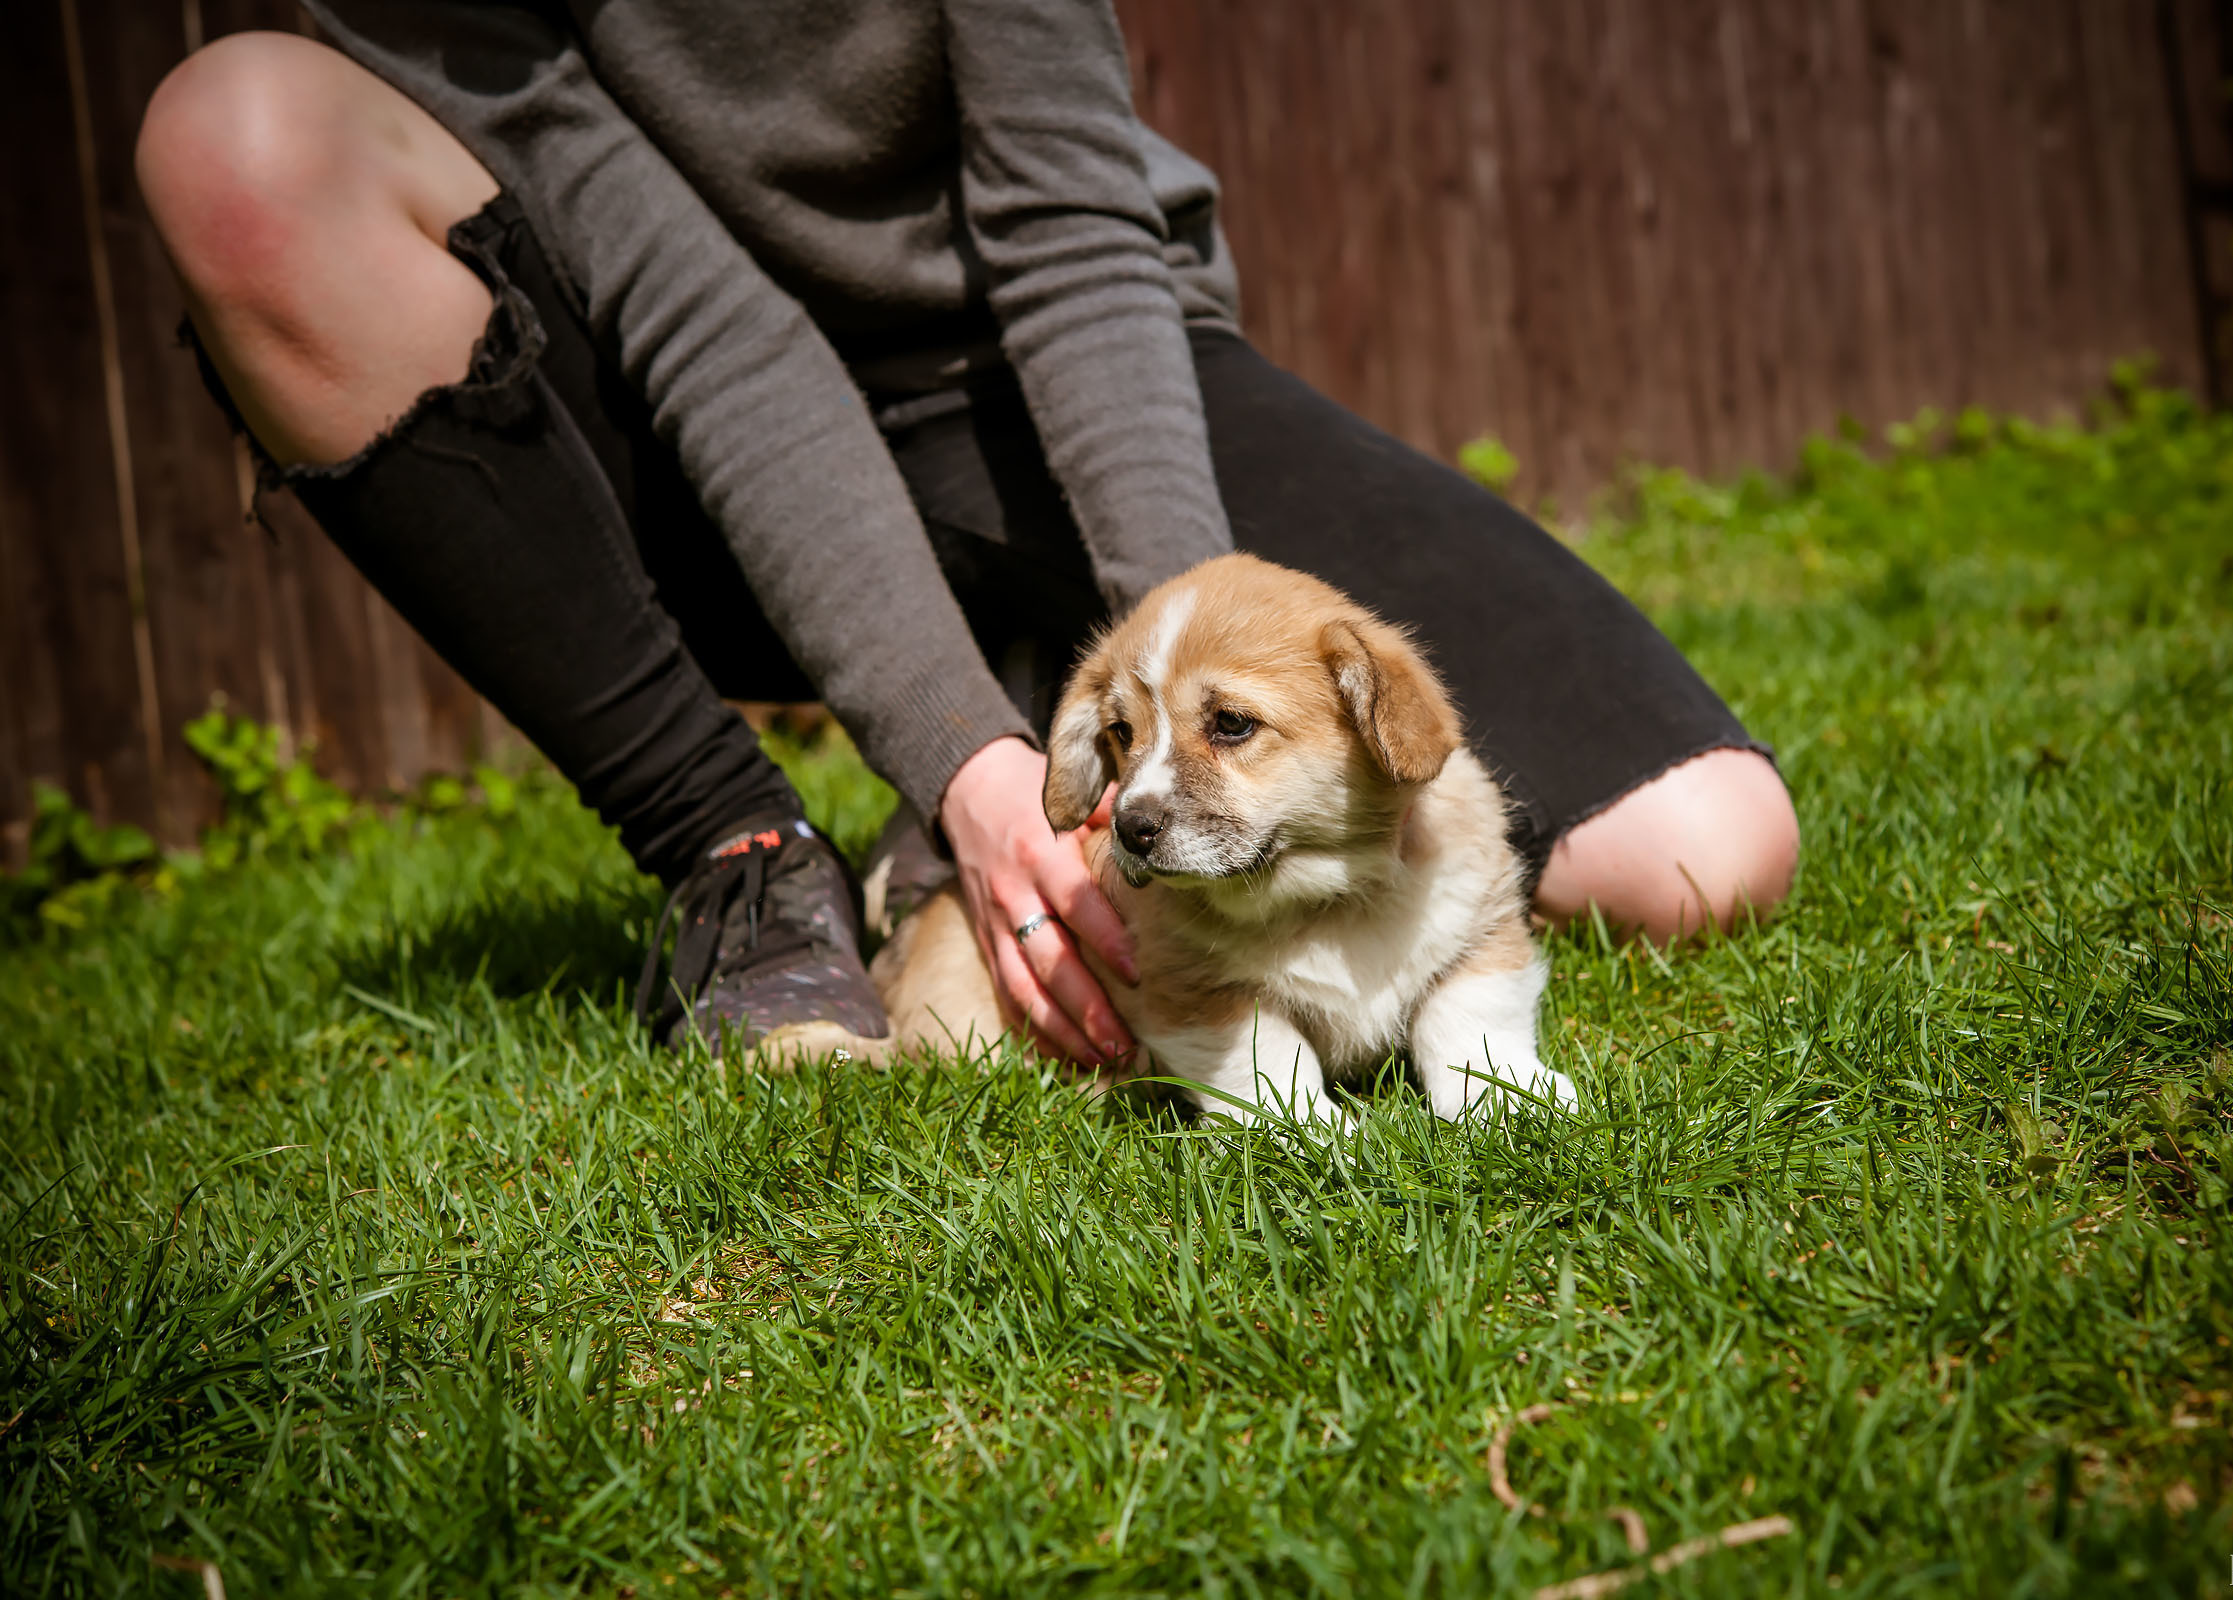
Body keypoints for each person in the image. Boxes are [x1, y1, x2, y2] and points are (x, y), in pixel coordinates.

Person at [135, 4, 1799, 1069]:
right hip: (669, 433)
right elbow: (706, 326)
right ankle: (747, 862)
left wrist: (1173, 647)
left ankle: (1089, 731)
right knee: (240, 137)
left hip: (1056, 366)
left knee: (1707, 853)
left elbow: (1073, 232)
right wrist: (965, 765)